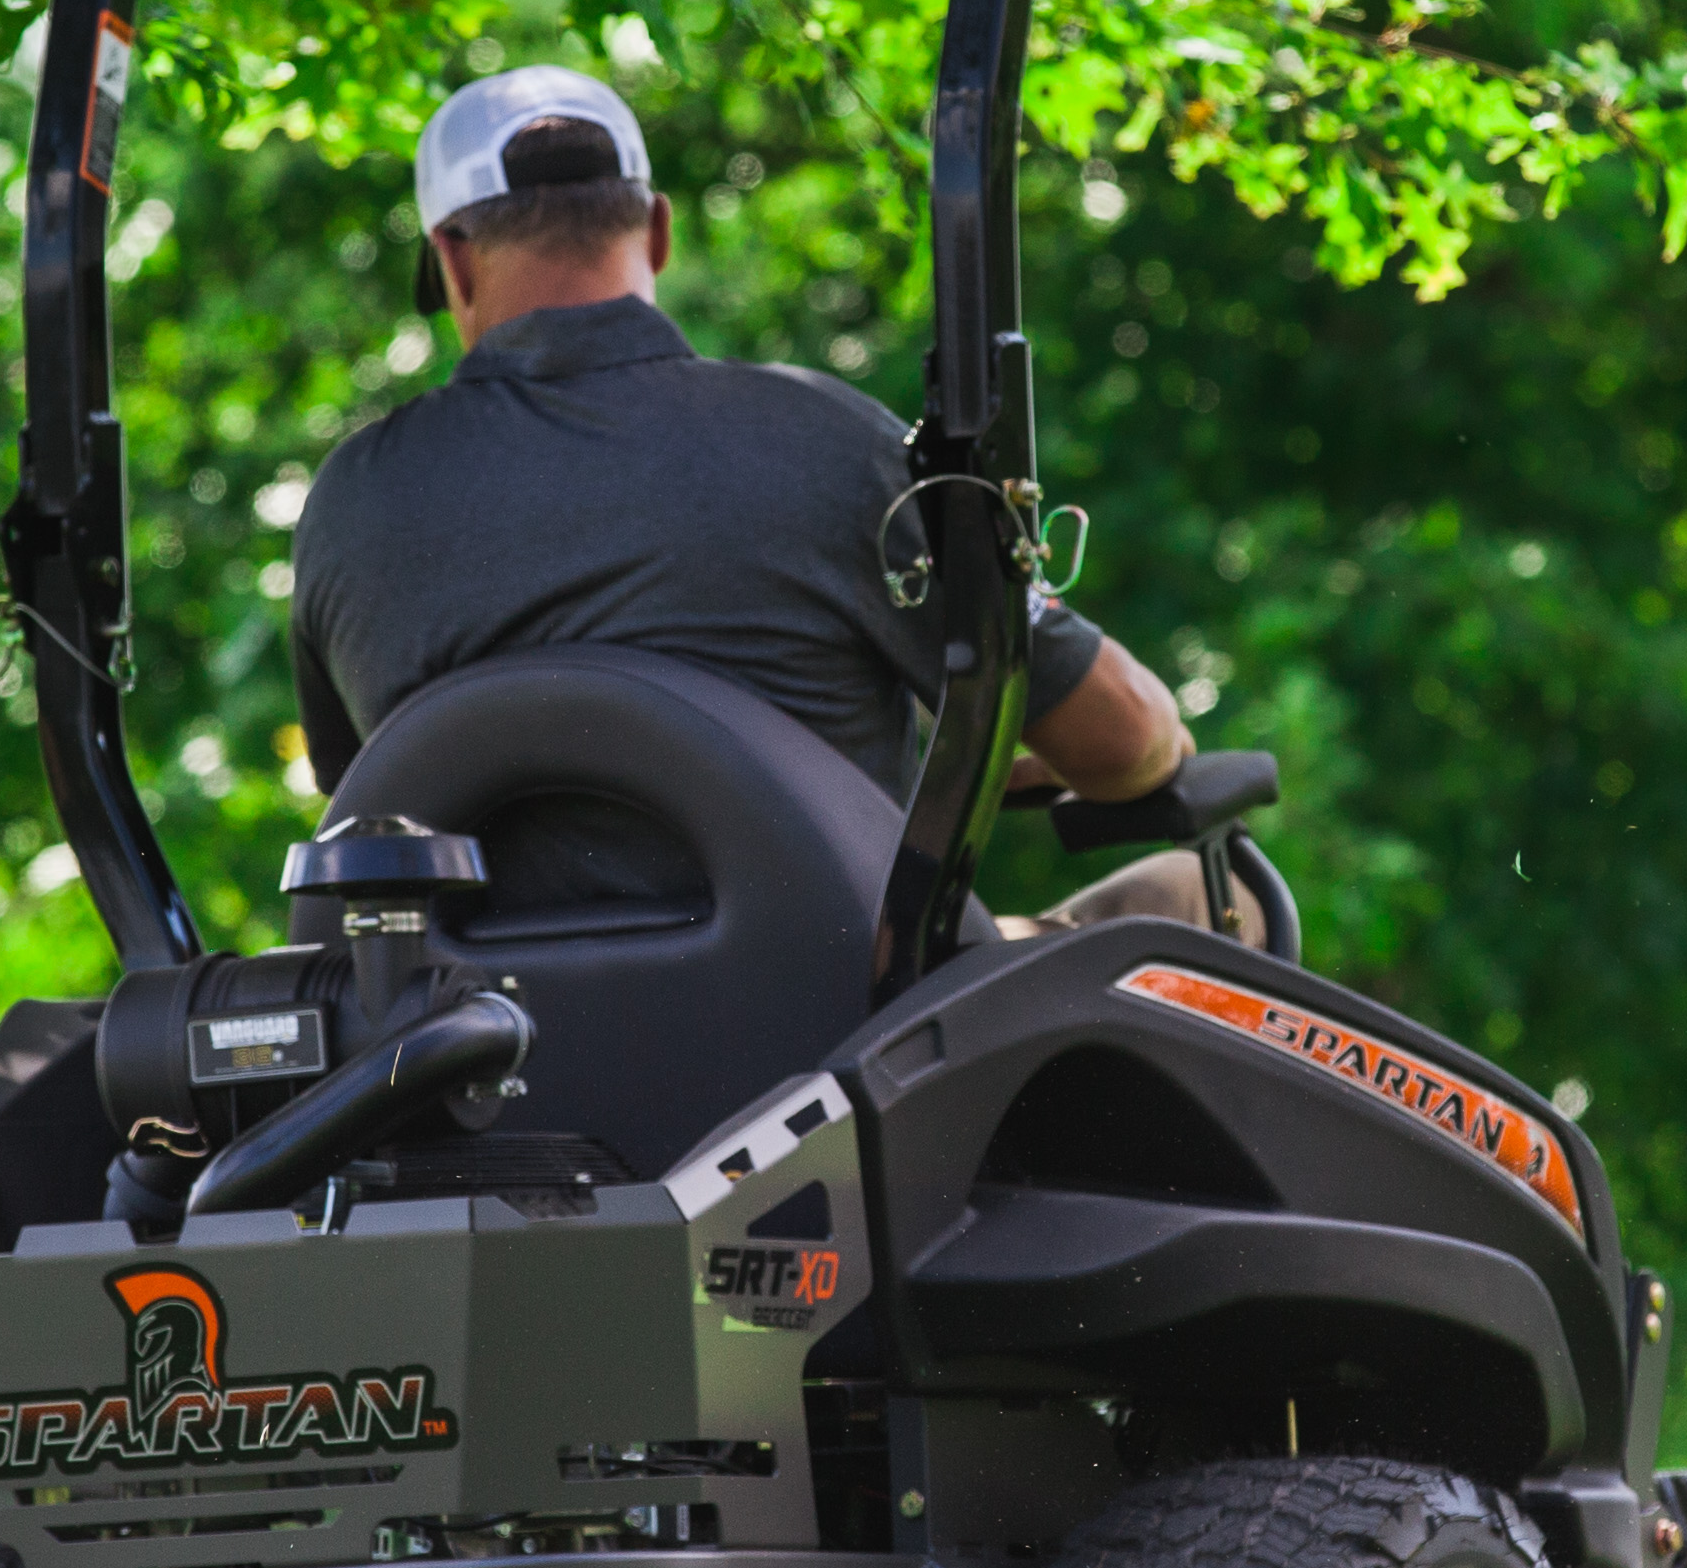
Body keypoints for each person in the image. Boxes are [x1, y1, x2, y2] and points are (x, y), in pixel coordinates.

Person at [284, 65, 1226, 930]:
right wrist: (1148, 748)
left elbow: (367, 812)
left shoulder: (347, 509)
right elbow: (1122, 741)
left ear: (452, 260)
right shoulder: (827, 443)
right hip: (839, 1043)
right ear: (656, 228)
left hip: (491, 1062)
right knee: (1207, 896)